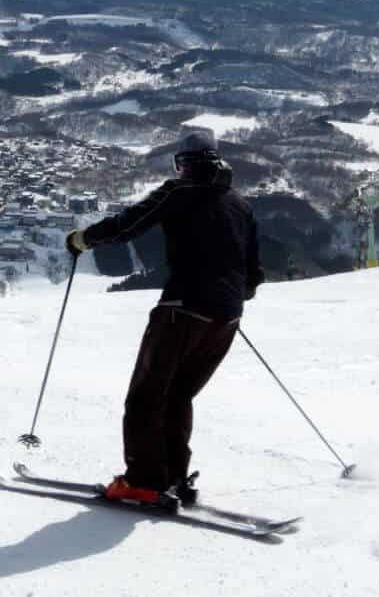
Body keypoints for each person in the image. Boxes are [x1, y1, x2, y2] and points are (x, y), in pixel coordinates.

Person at [65, 127, 263, 508]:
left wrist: (83, 240)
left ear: (185, 164)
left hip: (182, 310)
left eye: (181, 164)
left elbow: (128, 224)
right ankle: (174, 476)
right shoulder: (240, 204)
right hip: (226, 319)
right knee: (178, 395)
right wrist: (224, 296)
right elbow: (254, 276)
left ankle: (143, 481)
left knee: (146, 396)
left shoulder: (178, 192)